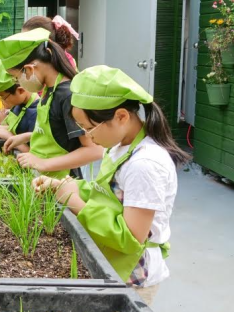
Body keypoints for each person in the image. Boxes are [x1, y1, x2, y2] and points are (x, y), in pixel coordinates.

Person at [33, 65, 190, 305]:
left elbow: (131, 238)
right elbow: (107, 192)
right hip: (112, 262)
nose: (88, 136)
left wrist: (75, 202)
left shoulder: (145, 164)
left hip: (133, 277)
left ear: (121, 116)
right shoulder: (120, 147)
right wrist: (63, 185)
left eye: (89, 128)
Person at [0, 28, 103, 179]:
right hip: (46, 179)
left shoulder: (66, 95)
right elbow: (59, 133)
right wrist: (26, 137)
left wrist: (43, 163)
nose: (19, 83)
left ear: (29, 69)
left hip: (64, 183)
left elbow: (94, 150)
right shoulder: (49, 90)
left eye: (17, 77)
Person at [0, 59, 39, 148]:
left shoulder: (35, 114)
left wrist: (9, 136)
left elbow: (34, 154)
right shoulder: (18, 105)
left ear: (20, 90)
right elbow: (18, 130)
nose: (2, 102)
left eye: (3, 98)